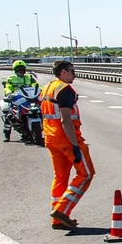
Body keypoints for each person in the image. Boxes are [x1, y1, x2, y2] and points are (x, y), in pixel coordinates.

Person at [40, 61, 95, 230]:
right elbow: (66, 119)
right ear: (63, 72)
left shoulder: (47, 87)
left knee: (60, 177)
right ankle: (62, 210)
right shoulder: (65, 89)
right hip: (66, 140)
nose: (74, 74)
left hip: (51, 138)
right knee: (86, 173)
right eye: (72, 71)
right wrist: (75, 146)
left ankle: (58, 219)